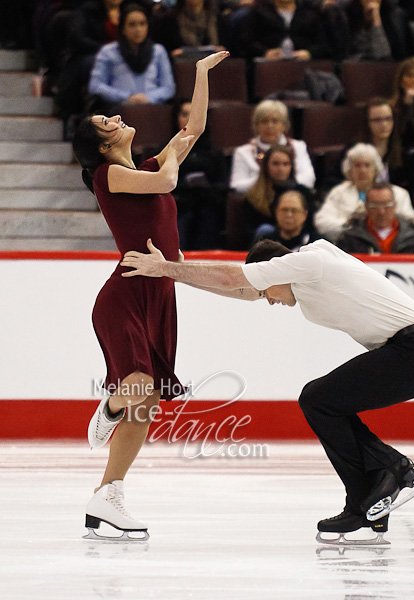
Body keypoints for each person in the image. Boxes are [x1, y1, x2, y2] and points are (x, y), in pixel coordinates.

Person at [120, 238, 414, 546]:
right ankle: (370, 501)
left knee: (317, 400)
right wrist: (182, 276)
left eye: (267, 290)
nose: (270, 301)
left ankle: (392, 472)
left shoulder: (309, 264)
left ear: (276, 268)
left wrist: (164, 268)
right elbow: (245, 290)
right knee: (326, 402)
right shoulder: (306, 281)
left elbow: (234, 275)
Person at [72, 51, 229, 541]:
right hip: (124, 297)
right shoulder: (109, 177)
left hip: (160, 294)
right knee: (140, 391)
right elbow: (164, 180)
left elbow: (195, 129)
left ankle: (108, 495)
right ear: (100, 144)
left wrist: (200, 75)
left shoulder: (146, 163)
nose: (117, 118)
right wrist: (168, 162)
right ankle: (114, 406)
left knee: (147, 405)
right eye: (107, 120)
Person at [314, 143, 414, 243]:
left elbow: (410, 222)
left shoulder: (398, 193)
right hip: (349, 246)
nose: (362, 170)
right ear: (349, 169)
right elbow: (321, 222)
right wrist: (349, 224)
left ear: (376, 168)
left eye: (367, 165)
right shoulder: (338, 192)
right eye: (357, 165)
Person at [87, 2, 176, 113]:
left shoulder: (158, 51)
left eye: (142, 24)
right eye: (132, 24)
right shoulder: (108, 52)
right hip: (119, 111)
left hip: (152, 110)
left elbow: (169, 88)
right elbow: (95, 85)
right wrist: (126, 97)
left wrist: (148, 98)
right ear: (123, 28)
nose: (138, 29)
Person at [171, 100, 228, 250]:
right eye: (185, 114)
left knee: (208, 215)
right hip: (178, 205)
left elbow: (223, 184)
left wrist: (205, 186)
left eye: (194, 115)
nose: (189, 119)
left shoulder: (214, 153)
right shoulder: (166, 149)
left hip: (207, 204)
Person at [230, 99, 316, 194]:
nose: (270, 126)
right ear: (256, 125)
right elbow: (237, 185)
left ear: (284, 125)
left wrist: (285, 185)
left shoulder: (298, 147)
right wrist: (266, 180)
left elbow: (309, 178)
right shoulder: (243, 152)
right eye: (264, 121)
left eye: (275, 121)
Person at [337, 183, 414, 254]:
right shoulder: (350, 238)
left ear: (395, 205)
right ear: (366, 208)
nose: (381, 212)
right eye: (374, 206)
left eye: (387, 205)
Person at [240, 0, 330, 60]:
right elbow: (247, 41)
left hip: (304, 64)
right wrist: (265, 52)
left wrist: (309, 53)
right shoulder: (258, 12)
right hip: (269, 65)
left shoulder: (311, 13)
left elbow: (324, 43)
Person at [253, 187, 322, 250]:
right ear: (276, 212)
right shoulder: (263, 243)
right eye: (284, 210)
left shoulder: (316, 244)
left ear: (304, 214)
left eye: (294, 210)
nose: (289, 215)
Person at [151, 0, 226, 58]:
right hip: (181, 69)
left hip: (215, 68)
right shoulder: (167, 21)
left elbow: (230, 48)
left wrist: (222, 51)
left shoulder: (218, 19)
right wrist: (172, 54)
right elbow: (162, 51)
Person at [345, 0, 414, 61]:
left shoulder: (393, 17)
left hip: (384, 69)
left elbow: (383, 55)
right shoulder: (347, 14)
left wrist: (376, 21)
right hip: (355, 69)